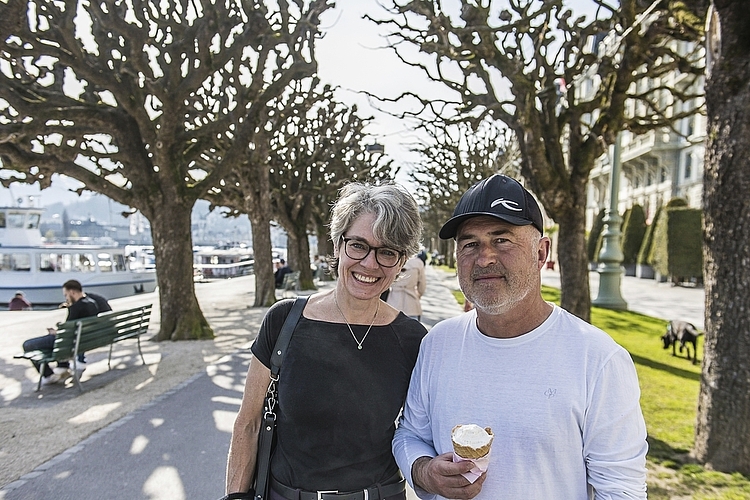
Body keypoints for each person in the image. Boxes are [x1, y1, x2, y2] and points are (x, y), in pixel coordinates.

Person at [392, 174, 648, 499]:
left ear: (541, 253)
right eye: (470, 244)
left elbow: (621, 489)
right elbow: (411, 434)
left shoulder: (597, 359)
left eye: (502, 240)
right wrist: (424, 472)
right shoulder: (438, 343)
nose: (484, 258)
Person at [226, 182, 427, 500]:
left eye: (387, 252)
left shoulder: (414, 340)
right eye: (358, 245)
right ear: (337, 245)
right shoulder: (284, 321)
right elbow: (249, 423)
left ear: (402, 261)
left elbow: (419, 432)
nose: (370, 264)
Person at [21, 280, 100, 385]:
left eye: (66, 295)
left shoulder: (76, 307)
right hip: (82, 340)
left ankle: (48, 375)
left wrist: (55, 332)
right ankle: (62, 366)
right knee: (49, 344)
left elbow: (66, 331)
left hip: (69, 341)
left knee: (27, 345)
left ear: (72, 292)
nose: (66, 298)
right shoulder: (92, 303)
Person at [386, 255, 426, 321]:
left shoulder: (390, 259)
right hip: (412, 303)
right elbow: (422, 285)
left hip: (393, 301)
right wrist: (418, 295)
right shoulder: (418, 263)